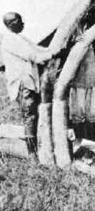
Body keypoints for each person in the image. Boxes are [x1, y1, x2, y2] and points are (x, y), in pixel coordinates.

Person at [1, 12, 57, 157]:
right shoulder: (10, 40)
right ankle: (32, 153)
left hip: (29, 82)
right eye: (18, 20)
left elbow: (38, 49)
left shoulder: (20, 38)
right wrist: (53, 54)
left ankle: (36, 149)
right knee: (30, 116)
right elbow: (33, 56)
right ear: (10, 24)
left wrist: (54, 50)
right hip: (22, 83)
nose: (22, 23)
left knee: (34, 115)